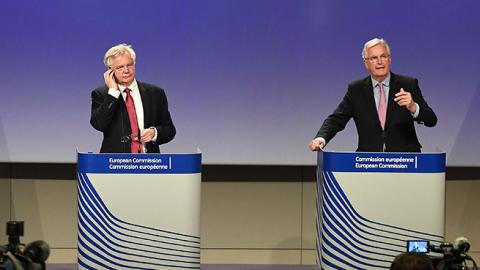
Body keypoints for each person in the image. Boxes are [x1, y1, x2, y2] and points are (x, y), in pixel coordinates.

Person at [309, 38, 437, 152]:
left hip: (405, 160)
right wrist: (321, 138)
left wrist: (413, 107)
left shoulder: (408, 84)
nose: (380, 62)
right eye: (374, 58)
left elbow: (431, 120)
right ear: (366, 63)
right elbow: (336, 119)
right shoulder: (356, 90)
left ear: (389, 60)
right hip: (369, 161)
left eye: (383, 56)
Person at [90, 44, 176, 153]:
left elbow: (169, 130)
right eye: (120, 67)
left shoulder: (155, 93)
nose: (126, 70)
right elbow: (99, 124)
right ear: (110, 71)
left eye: (129, 65)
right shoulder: (101, 94)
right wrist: (112, 93)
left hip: (149, 164)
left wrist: (155, 133)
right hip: (115, 164)